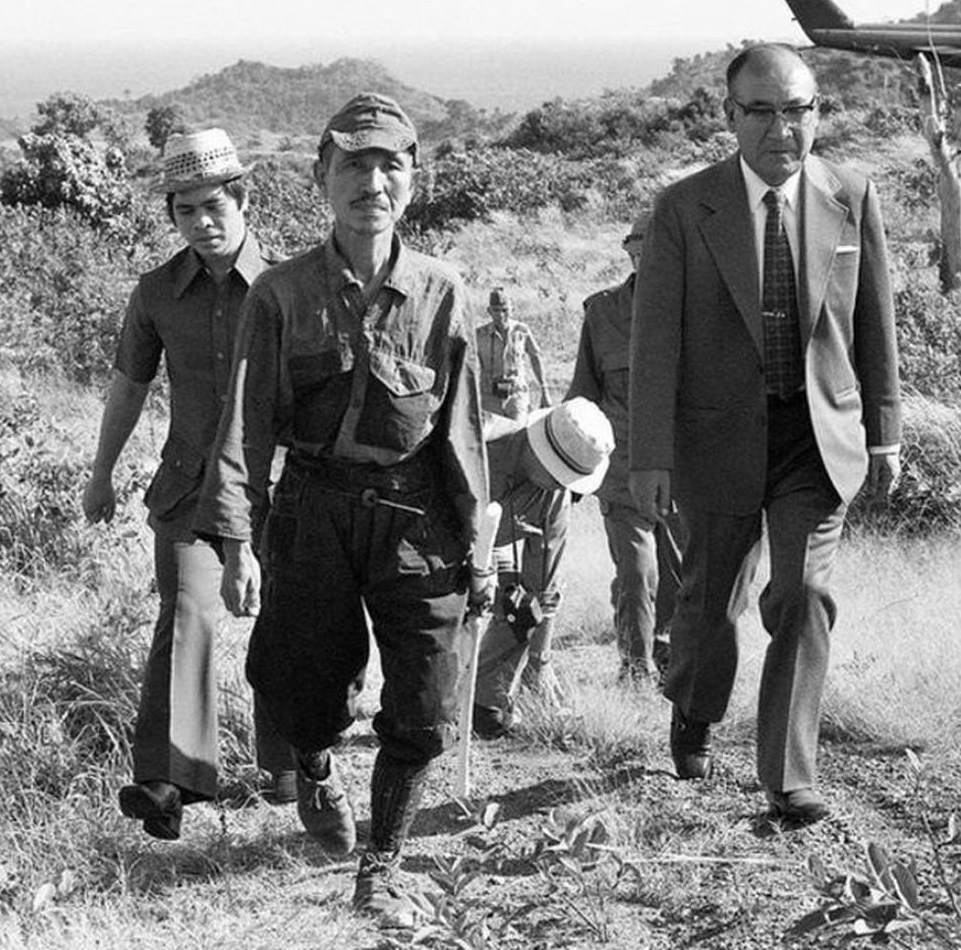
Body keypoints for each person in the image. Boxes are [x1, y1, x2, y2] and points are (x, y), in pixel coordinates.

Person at [192, 93, 490, 927]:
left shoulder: (441, 292)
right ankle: (317, 766)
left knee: (428, 704)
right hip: (314, 512)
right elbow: (244, 426)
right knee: (300, 689)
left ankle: (382, 864)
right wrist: (239, 542)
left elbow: (462, 432)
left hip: (416, 514)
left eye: (390, 162)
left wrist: (479, 545)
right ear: (322, 176)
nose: (373, 180)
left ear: (413, 180)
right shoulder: (281, 295)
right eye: (353, 163)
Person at [628, 44, 901, 825]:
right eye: (763, 111)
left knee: (805, 592)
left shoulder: (851, 195)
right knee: (710, 605)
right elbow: (655, 346)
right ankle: (694, 708)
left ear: (816, 113)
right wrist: (650, 455)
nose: (784, 128)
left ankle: (788, 777)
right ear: (730, 117)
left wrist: (884, 434)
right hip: (715, 439)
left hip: (817, 438)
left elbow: (876, 326)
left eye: (799, 110)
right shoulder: (685, 208)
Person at [82, 128, 295, 841]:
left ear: (242, 199)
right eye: (185, 211)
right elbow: (128, 386)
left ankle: (289, 767)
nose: (201, 223)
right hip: (188, 490)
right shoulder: (156, 293)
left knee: (286, 626)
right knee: (186, 615)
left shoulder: (288, 286)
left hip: (277, 488)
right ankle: (167, 783)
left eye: (213, 207)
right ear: (170, 214)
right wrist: (102, 473)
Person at [567, 217, 683, 686]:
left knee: (679, 583)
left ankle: (671, 663)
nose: (644, 258)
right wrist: (571, 470)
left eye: (653, 251)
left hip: (682, 474)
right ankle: (634, 671)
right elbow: (581, 397)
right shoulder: (602, 314)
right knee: (638, 576)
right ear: (629, 253)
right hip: (620, 474)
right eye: (637, 249)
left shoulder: (694, 311)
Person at [472, 399, 614, 738]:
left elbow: (542, 588)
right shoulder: (476, 447)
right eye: (559, 473)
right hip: (438, 545)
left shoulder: (556, 497)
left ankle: (486, 698)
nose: (562, 484)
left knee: (522, 608)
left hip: (495, 548)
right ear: (537, 447)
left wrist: (541, 661)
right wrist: (479, 574)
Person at [476, 288, 552, 420]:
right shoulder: (480, 335)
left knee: (518, 434)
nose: (500, 315)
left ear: (512, 310)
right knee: (490, 437)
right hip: (489, 397)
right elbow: (469, 363)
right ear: (489, 311)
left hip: (516, 396)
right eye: (496, 310)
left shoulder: (522, 331)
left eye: (504, 310)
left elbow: (535, 357)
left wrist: (544, 390)